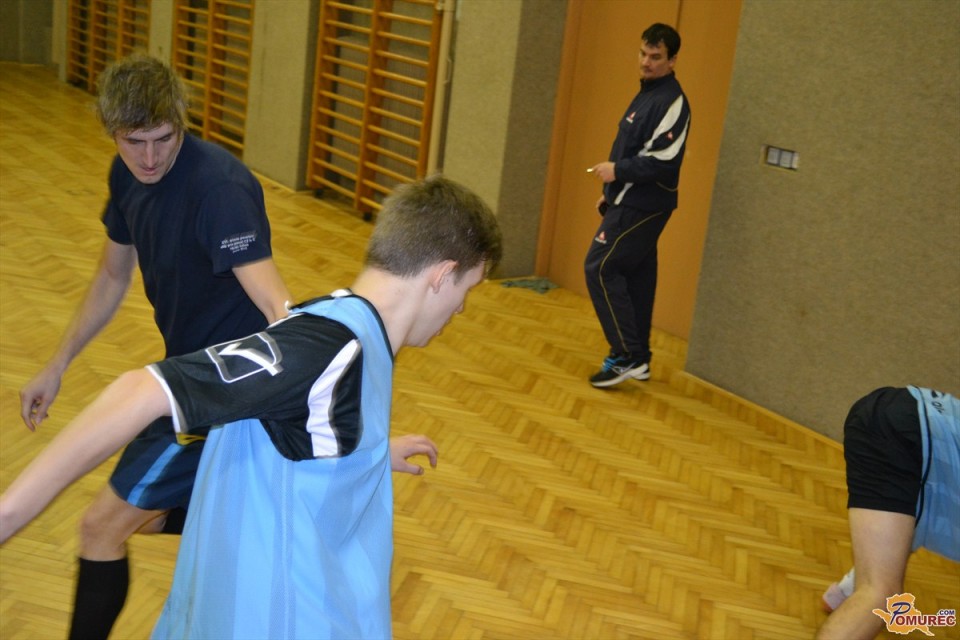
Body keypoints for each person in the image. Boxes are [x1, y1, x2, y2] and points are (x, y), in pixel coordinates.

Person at [14, 53, 432, 639]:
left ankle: (269, 496)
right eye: (135, 142)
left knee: (100, 528)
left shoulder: (220, 189)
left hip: (223, 396)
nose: (150, 157)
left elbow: (276, 306)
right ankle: (256, 508)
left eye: (163, 139)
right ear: (112, 132)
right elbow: (112, 275)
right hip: (186, 379)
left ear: (182, 123)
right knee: (144, 519)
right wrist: (57, 364)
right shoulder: (126, 175)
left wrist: (354, 432)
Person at [1, 175, 504, 639]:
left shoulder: (354, 328)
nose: (460, 308)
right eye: (468, 290)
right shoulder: (323, 347)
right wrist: (9, 513)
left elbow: (290, 431)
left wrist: (367, 452)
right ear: (442, 275)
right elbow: (139, 391)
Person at [584, 23, 691, 388]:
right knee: (637, 278)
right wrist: (611, 192)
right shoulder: (646, 93)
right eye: (643, 54)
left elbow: (664, 161)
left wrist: (617, 172)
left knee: (599, 267)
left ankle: (625, 355)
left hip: (646, 204)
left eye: (655, 57)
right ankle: (640, 358)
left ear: (672, 60)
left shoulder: (673, 102)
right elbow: (632, 147)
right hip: (628, 198)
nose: (646, 62)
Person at [816, 386, 959, 640]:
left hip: (890, 408)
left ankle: (848, 592)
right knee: (879, 594)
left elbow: (904, 527)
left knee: (877, 586)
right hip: (915, 435)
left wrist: (849, 590)